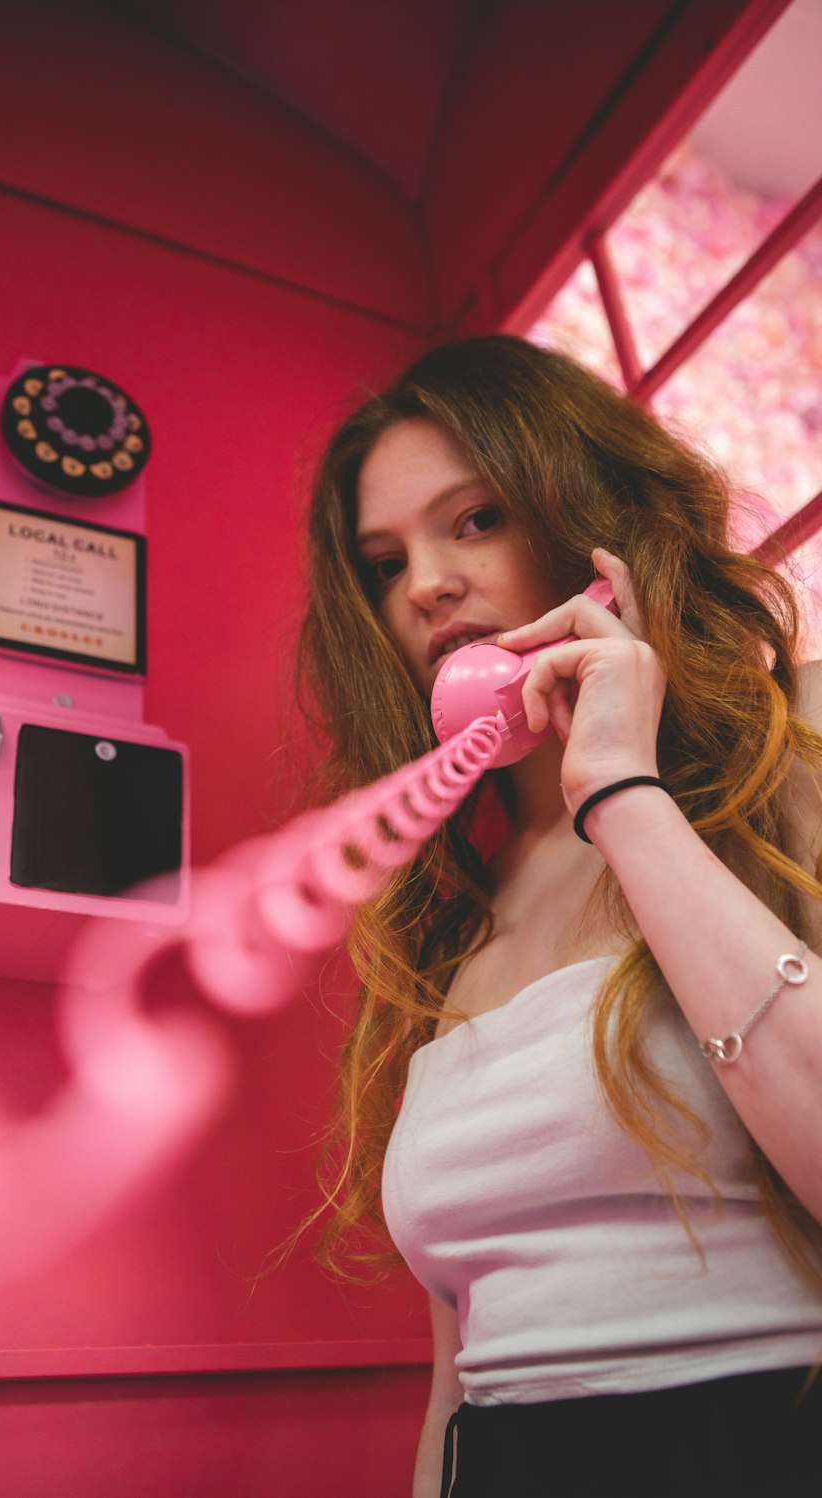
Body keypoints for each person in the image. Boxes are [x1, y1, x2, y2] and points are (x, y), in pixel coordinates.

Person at [296, 336, 822, 1496]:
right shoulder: (441, 924)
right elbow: (456, 1380)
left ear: (585, 521)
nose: (425, 583)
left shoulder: (785, 778)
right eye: (384, 563)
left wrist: (623, 796)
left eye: (473, 518)